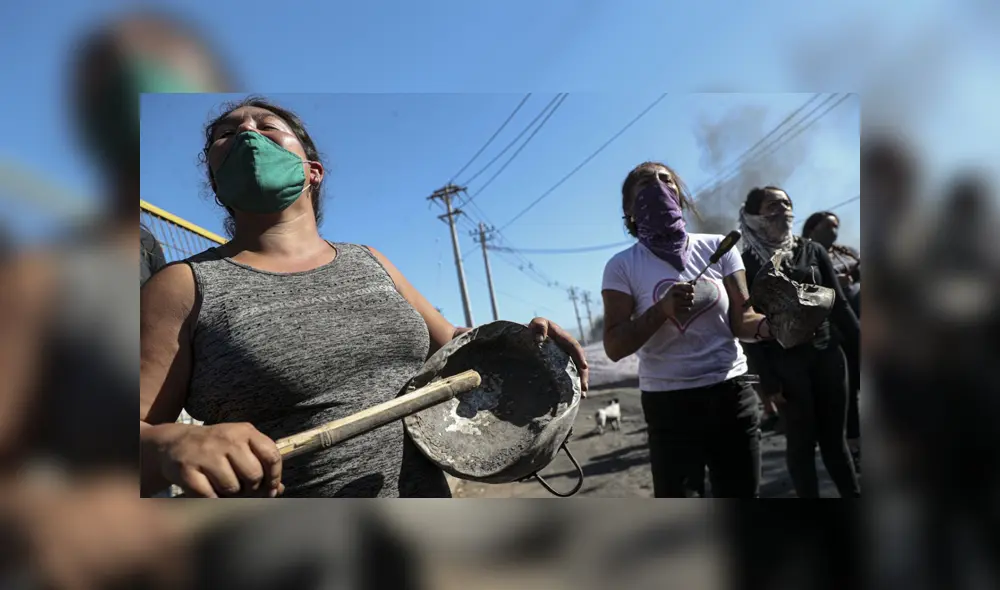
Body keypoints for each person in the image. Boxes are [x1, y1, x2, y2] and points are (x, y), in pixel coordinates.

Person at [139, 96, 589, 499]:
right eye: (227, 134)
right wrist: (171, 444)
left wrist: (530, 342)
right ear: (216, 184)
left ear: (311, 171)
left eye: (267, 126)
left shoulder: (370, 260)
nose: (247, 134)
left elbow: (456, 345)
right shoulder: (183, 285)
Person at [601, 161, 775, 498]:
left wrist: (779, 326)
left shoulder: (719, 248)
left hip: (732, 395)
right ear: (628, 209)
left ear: (680, 196)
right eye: (644, 183)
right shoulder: (621, 266)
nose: (657, 185)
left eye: (666, 180)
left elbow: (744, 322)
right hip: (669, 407)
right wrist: (660, 311)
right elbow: (615, 346)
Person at [739, 186, 861, 498]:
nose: (783, 210)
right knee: (802, 444)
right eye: (772, 205)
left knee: (836, 442)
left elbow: (840, 305)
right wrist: (766, 380)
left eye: (787, 203)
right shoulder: (745, 265)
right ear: (754, 215)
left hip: (829, 357)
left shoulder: (812, 250)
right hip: (786, 367)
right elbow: (748, 327)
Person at [802, 211, 862, 471]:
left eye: (838, 225)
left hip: (858, 322)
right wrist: (832, 283)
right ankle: (852, 444)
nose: (835, 230)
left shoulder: (846, 252)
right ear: (813, 228)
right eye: (829, 225)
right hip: (831, 332)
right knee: (844, 393)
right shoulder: (803, 255)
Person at [803, 212, 860, 316]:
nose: (833, 231)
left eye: (835, 227)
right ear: (811, 230)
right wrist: (833, 287)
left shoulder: (849, 252)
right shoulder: (802, 258)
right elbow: (803, 298)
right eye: (828, 226)